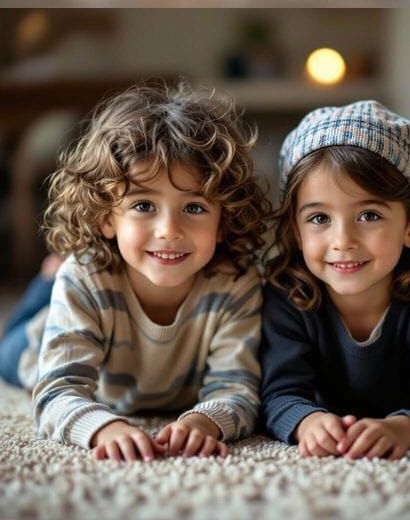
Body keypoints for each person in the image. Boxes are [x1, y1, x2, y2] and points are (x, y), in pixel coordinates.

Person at [0, 81, 269, 460]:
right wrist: (105, 426)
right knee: (8, 351)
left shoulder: (237, 283)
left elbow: (238, 388)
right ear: (106, 218)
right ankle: (47, 281)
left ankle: (52, 275)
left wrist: (204, 422)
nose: (169, 231)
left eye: (194, 208)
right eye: (144, 206)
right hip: (36, 342)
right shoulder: (86, 278)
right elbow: (56, 391)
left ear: (224, 220)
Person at [260, 101, 410, 459]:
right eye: (319, 219)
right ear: (296, 231)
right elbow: (278, 393)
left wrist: (405, 428)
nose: (343, 240)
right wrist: (308, 420)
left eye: (369, 215)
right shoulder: (286, 294)